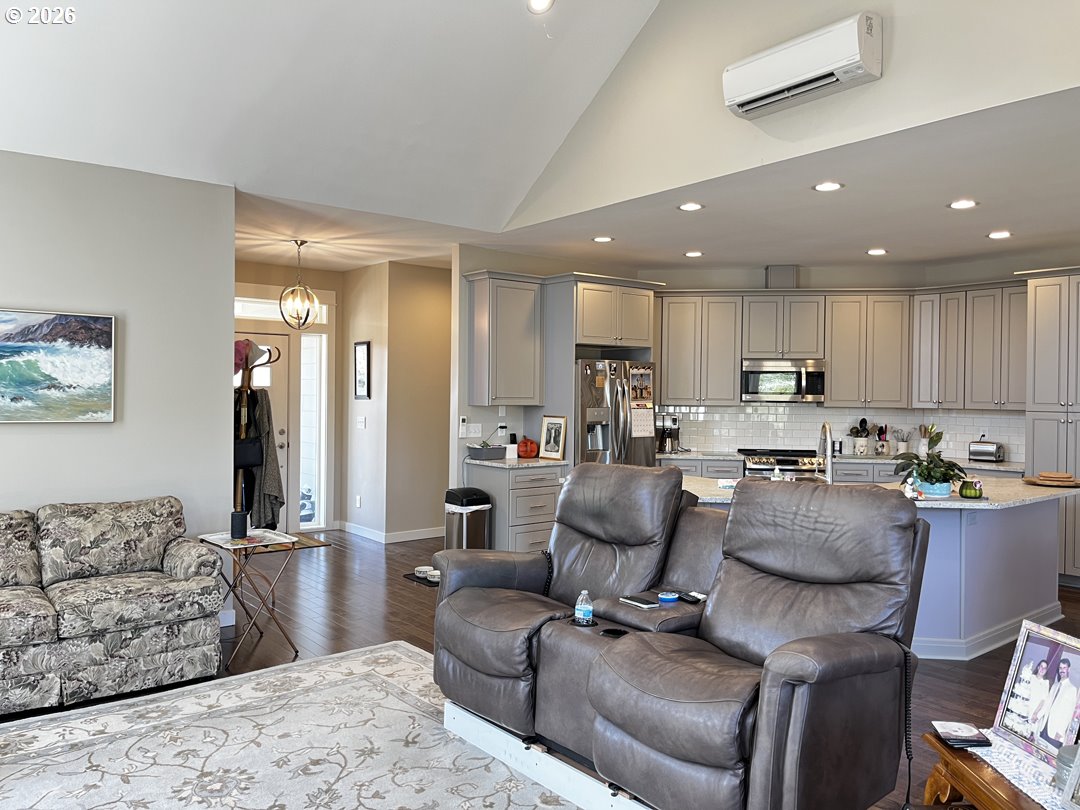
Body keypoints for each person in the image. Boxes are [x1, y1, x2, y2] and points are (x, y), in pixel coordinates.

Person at [1034, 658, 1078, 749]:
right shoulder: (1055, 685)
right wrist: (1037, 716)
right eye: (1060, 668)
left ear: (1068, 669)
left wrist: (1060, 732)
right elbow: (1046, 704)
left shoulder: (1072, 689)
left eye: (1064, 668)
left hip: (1055, 732)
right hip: (1044, 728)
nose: (1062, 670)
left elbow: (1069, 713)